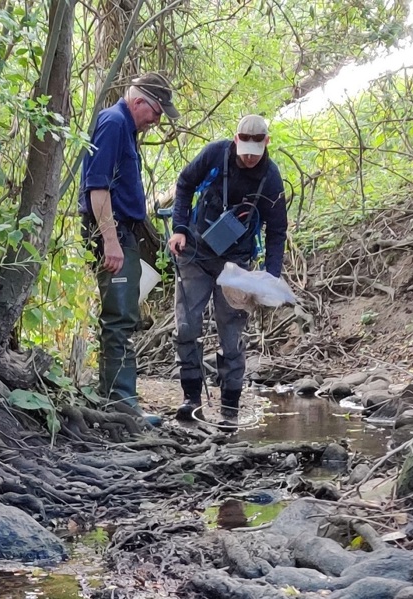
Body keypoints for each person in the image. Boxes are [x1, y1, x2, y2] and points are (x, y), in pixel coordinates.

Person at [168, 114, 288, 428]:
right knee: (187, 327)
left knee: (232, 336)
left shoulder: (271, 179)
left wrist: (270, 277)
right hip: (193, 253)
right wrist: (178, 229)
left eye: (255, 150)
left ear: (266, 143)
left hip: (237, 266)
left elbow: (277, 231)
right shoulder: (214, 154)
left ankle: (229, 411)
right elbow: (184, 185)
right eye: (244, 148)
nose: (248, 157)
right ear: (235, 140)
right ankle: (191, 401)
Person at [79, 73, 181, 427]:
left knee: (121, 314)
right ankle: (121, 406)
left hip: (125, 232)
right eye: (156, 113)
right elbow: (97, 188)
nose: (157, 121)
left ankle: (114, 400)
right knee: (119, 318)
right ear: (140, 103)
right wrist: (110, 240)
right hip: (113, 232)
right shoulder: (113, 123)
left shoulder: (126, 128)